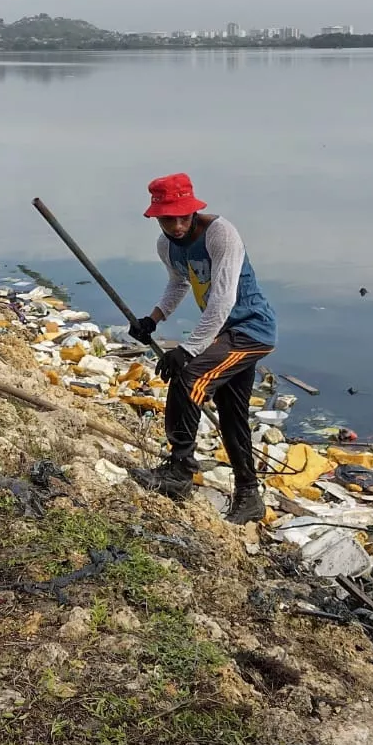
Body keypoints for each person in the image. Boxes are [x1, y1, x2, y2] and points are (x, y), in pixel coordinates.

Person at [128, 173, 277, 524]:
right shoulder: (167, 246)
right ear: (157, 217)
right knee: (231, 413)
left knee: (188, 378)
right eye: (168, 219)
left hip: (250, 331)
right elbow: (178, 283)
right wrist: (153, 319)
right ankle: (249, 496)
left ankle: (180, 472)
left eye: (183, 216)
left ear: (193, 211)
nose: (177, 226)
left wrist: (189, 349)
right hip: (223, 334)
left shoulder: (221, 234)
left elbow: (223, 299)